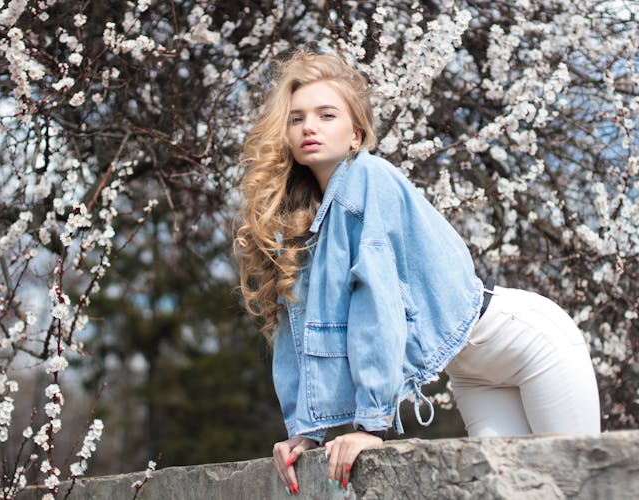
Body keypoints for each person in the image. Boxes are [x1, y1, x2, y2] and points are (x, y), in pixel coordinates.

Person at [234, 50, 600, 496]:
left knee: (578, 484)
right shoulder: (306, 223)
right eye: (297, 118)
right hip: (471, 372)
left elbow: (379, 306)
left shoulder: (368, 182)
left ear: (356, 135)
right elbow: (299, 329)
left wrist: (372, 425)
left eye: (326, 115)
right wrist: (305, 432)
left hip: (527, 343)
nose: (309, 126)